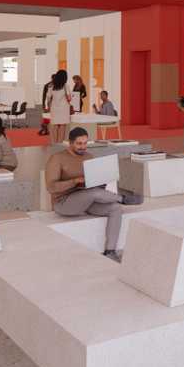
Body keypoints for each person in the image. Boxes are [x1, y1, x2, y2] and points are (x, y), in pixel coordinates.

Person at [44, 128, 125, 258]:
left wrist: (102, 181)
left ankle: (110, 251)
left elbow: (94, 185)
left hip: (87, 200)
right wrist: (75, 181)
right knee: (93, 193)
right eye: (79, 144)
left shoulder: (89, 156)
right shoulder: (57, 158)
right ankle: (123, 198)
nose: (83, 147)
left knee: (115, 208)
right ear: (70, 143)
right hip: (64, 203)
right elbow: (51, 187)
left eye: (85, 143)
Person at [47, 70, 75, 144]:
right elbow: (69, 98)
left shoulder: (52, 86)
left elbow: (48, 98)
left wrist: (48, 107)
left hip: (54, 108)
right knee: (62, 126)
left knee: (54, 125)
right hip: (63, 109)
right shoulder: (66, 86)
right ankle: (59, 144)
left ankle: (54, 143)